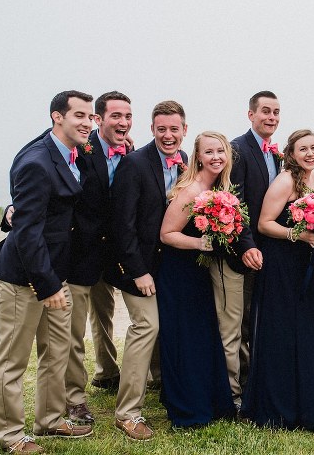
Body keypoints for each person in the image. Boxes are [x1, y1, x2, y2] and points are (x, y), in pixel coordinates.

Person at [0, 90, 95, 454]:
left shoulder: (71, 151)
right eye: (79, 115)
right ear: (56, 116)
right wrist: (46, 286)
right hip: (26, 277)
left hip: (58, 271)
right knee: (13, 360)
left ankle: (48, 419)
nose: (87, 123)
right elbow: (27, 233)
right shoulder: (37, 160)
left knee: (56, 352)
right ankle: (10, 434)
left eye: (90, 116)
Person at [240, 129, 314, 433]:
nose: (310, 153)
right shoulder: (285, 180)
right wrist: (297, 234)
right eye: (303, 149)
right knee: (282, 333)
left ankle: (308, 405)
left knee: (307, 331)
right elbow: (264, 223)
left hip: (303, 264)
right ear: (291, 153)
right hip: (281, 265)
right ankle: (278, 408)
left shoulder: (312, 179)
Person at [106, 100, 188, 441]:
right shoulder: (134, 164)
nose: (168, 136)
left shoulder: (187, 164)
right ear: (152, 129)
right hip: (134, 266)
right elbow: (120, 226)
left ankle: (161, 385)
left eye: (174, 129)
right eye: (161, 129)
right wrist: (137, 271)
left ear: (185, 130)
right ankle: (127, 413)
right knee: (146, 327)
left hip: (168, 267)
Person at [157, 131, 237, 427]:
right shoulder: (190, 190)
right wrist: (200, 243)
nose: (216, 157)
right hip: (179, 272)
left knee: (203, 336)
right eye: (209, 152)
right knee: (185, 338)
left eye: (221, 151)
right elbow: (166, 234)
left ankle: (210, 400)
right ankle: (188, 406)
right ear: (198, 157)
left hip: (199, 272)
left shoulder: (218, 188)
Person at [64, 91, 132, 425]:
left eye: (127, 117)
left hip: (114, 254)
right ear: (98, 119)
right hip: (79, 253)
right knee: (73, 329)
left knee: (104, 314)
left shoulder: (130, 153)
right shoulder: (81, 149)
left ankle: (106, 371)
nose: (122, 122)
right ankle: (74, 399)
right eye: (115, 116)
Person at [228, 91, 279, 398]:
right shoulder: (238, 149)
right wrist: (247, 245)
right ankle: (243, 387)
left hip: (270, 248)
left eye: (275, 112)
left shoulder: (274, 152)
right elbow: (237, 202)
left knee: (261, 315)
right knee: (244, 320)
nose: (271, 117)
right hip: (248, 251)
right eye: (265, 112)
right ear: (251, 115)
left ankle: (259, 375)